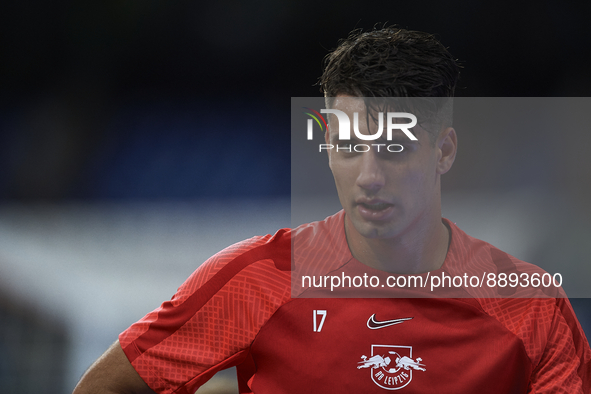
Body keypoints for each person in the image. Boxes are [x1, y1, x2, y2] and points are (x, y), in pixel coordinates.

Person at [73, 27, 591, 394]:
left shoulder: (531, 308)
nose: (368, 175)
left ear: (445, 151)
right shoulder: (256, 281)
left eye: (393, 149)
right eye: (347, 146)